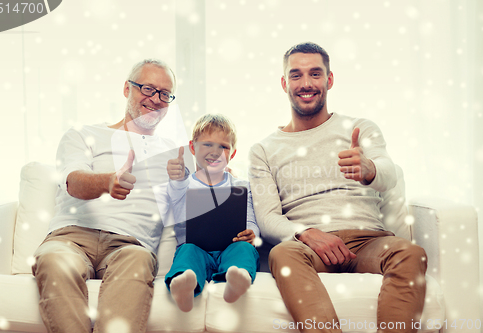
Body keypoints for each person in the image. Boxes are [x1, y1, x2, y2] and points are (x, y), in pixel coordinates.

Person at [248, 42, 427, 333]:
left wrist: (370, 170)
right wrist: (307, 233)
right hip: (309, 248)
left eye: (315, 74)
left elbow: (389, 173)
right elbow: (267, 219)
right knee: (281, 254)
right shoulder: (263, 150)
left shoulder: (360, 128)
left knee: (410, 252)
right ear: (284, 83)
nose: (306, 83)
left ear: (329, 80)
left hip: (368, 241)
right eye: (296, 75)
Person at [32, 59, 180, 333]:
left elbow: (192, 206)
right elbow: (73, 182)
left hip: (130, 246)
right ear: (127, 88)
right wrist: (108, 181)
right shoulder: (83, 135)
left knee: (138, 260)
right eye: (148, 89)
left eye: (165, 94)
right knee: (53, 259)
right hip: (71, 239)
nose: (156, 99)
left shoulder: (175, 153)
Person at [164, 114, 260, 312]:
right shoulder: (183, 184)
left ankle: (236, 279)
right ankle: (185, 284)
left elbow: (250, 219)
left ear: (232, 154)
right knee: (187, 251)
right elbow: (176, 197)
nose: (215, 152)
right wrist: (178, 179)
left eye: (223, 147)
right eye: (207, 144)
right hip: (196, 250)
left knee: (244, 249)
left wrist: (252, 233)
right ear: (193, 147)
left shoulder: (241, 186)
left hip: (230, 249)